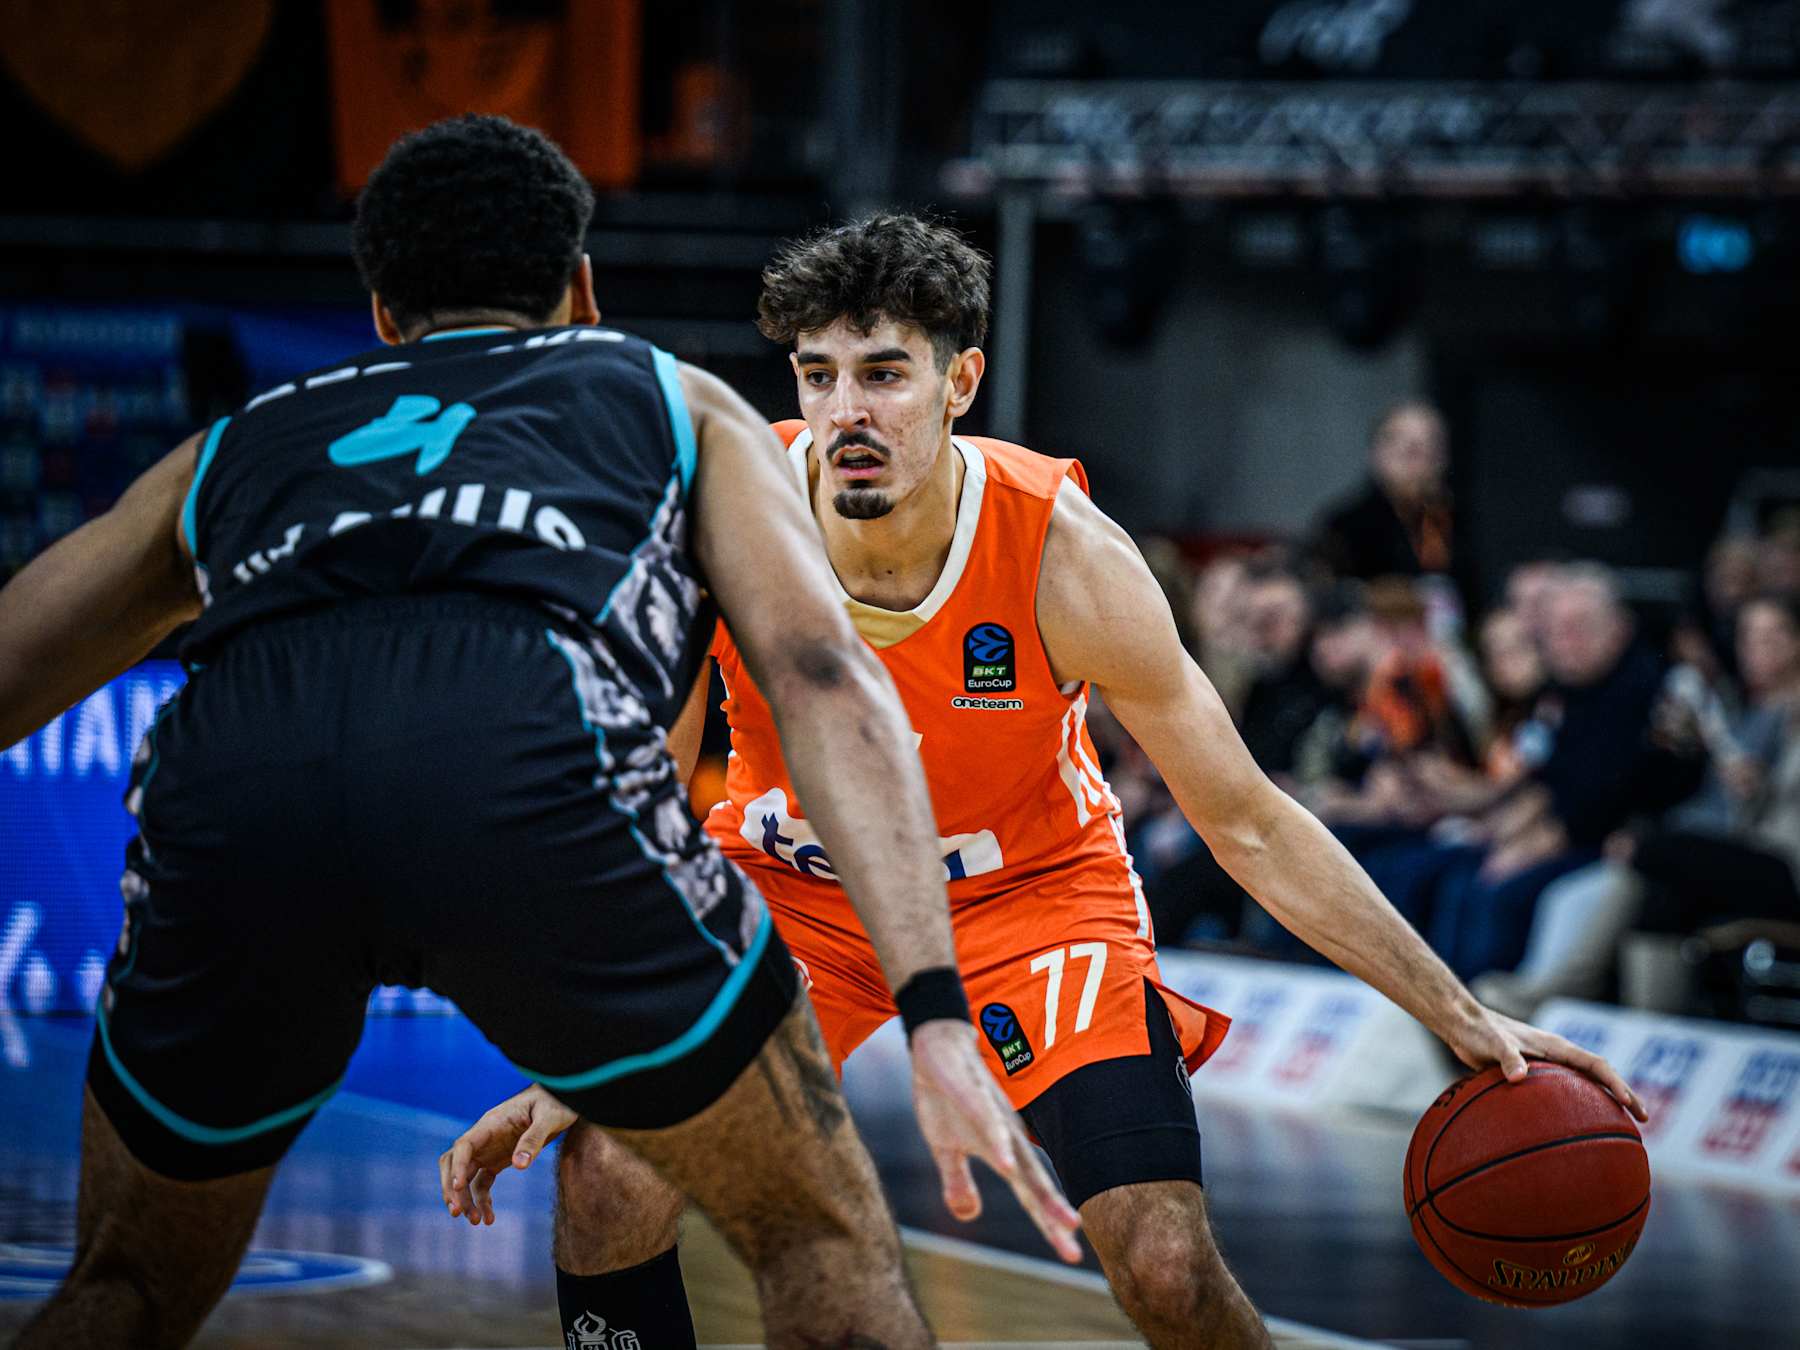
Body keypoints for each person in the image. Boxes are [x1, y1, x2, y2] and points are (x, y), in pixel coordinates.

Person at [442, 214, 1648, 1350]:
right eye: (819, 375)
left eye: (885, 373)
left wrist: (1459, 1014)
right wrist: (592, 1049)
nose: (847, 409)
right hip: (796, 893)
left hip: (1029, 901)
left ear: (960, 382)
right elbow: (645, 798)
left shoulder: (1067, 559)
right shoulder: (722, 513)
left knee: (1164, 1262)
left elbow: (1250, 823)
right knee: (609, 1179)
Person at [0, 120, 1079, 1350]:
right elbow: (823, 676)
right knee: (818, 1243)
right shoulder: (666, 397)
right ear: (582, 290)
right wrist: (932, 1006)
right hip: (519, 753)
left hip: (239, 779)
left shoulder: (243, 442)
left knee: (126, 1288)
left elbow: (16, 659)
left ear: (384, 315)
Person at [1309, 400, 1453, 583]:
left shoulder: (1462, 520)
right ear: (1375, 451)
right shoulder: (1345, 526)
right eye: (1403, 444)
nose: (1419, 454)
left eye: (1430, 443)